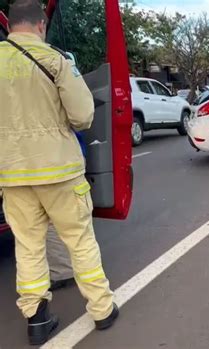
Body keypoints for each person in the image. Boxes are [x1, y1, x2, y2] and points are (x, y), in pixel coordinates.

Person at [0, 0, 118, 345]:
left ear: (10, 26)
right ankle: (101, 309)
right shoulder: (56, 60)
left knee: (28, 246)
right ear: (40, 25)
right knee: (80, 242)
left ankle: (36, 319)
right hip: (61, 171)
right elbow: (83, 116)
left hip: (13, 174)